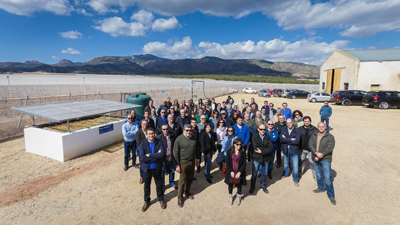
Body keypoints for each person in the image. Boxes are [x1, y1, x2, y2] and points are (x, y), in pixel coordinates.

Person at [173, 124, 201, 208]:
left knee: (190, 178)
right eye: (187, 130)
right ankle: (180, 197)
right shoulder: (179, 139)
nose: (189, 132)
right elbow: (175, 153)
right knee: (182, 181)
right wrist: (177, 165)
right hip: (183, 163)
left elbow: (197, 150)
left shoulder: (194, 138)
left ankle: (187, 192)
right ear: (183, 130)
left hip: (192, 162)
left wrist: (198, 159)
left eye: (190, 130)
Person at [138, 128, 165, 212]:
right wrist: (155, 156)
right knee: (147, 186)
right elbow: (142, 158)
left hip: (157, 168)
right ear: (146, 135)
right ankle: (147, 201)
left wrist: (149, 155)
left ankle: (161, 199)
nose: (151, 135)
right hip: (147, 169)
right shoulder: (142, 144)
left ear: (154, 134)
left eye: (152, 133)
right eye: (149, 134)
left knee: (159, 185)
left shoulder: (159, 142)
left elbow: (162, 154)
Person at [309, 122, 336, 205]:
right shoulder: (314, 135)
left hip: (325, 159)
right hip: (316, 157)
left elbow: (329, 148)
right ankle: (321, 187)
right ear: (317, 127)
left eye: (322, 126)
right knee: (318, 174)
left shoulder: (330, 137)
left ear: (325, 127)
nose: (321, 128)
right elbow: (310, 144)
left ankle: (331, 195)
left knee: (328, 178)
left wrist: (320, 155)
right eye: (319, 126)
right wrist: (316, 153)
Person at [249, 123, 274, 195]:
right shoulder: (254, 137)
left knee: (264, 173)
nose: (263, 131)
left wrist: (262, 151)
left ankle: (263, 186)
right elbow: (255, 148)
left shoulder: (268, 137)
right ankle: (252, 187)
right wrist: (265, 150)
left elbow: (271, 148)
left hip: (265, 158)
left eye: (264, 129)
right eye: (261, 129)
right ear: (258, 129)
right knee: (254, 174)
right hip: (256, 158)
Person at [225, 138, 246, 206]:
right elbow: (227, 162)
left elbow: (244, 163)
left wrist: (240, 172)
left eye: (240, 144)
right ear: (234, 144)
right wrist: (230, 171)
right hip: (231, 171)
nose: (239, 146)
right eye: (237, 144)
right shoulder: (230, 151)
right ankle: (230, 196)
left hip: (239, 171)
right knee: (230, 184)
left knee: (239, 185)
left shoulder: (243, 152)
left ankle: (238, 196)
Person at [280, 118, 301, 186]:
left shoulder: (297, 131)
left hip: (294, 150)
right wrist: (291, 139)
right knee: (286, 163)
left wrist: (286, 139)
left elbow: (297, 141)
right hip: (285, 149)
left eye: (290, 122)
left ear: (292, 122)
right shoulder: (284, 129)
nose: (289, 124)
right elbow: (282, 139)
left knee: (295, 166)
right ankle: (286, 174)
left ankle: (295, 179)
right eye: (287, 123)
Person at [157, 124, 177, 190]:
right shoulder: (159, 138)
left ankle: (172, 182)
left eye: (167, 129)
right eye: (164, 129)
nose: (166, 130)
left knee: (172, 170)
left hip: (171, 157)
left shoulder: (172, 136)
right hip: (163, 159)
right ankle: (162, 185)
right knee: (162, 173)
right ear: (162, 130)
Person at [298, 116, 318, 180]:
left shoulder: (315, 129)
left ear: (310, 121)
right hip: (302, 149)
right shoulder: (300, 129)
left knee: (311, 162)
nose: (306, 122)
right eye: (305, 121)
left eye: (308, 121)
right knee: (301, 161)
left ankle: (315, 176)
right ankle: (300, 173)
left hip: (310, 150)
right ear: (303, 122)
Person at [136, 120, 149, 184]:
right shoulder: (138, 132)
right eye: (144, 124)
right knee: (142, 164)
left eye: (146, 124)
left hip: (149, 149)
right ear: (141, 125)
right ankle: (142, 177)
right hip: (142, 150)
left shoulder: (149, 131)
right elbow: (138, 141)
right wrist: (147, 139)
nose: (145, 125)